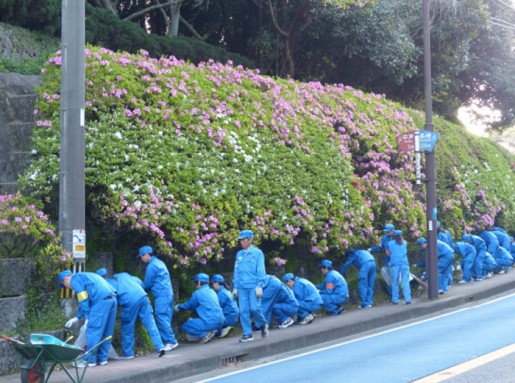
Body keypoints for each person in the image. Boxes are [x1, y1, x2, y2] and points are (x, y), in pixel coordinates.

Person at [95, 268, 165, 359]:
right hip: (143, 296)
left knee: (127, 326)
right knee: (151, 323)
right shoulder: (123, 274)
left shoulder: (106, 284)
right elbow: (139, 282)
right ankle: (160, 347)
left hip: (130, 301)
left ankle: (128, 354)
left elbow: (111, 300)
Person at [58, 270, 117, 367]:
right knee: (106, 331)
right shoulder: (85, 277)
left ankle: (90, 360)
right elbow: (86, 301)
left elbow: (83, 299)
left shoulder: (74, 280)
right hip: (112, 299)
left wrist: (87, 317)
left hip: (100, 301)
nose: (68, 287)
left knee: (93, 330)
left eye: (64, 285)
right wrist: (77, 318)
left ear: (65, 279)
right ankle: (102, 358)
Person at [137, 245, 178, 351]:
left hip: (161, 295)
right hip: (168, 293)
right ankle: (170, 340)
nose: (141, 259)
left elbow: (147, 284)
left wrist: (139, 289)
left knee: (161, 317)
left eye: (141, 256)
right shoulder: (160, 263)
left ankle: (171, 341)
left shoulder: (151, 266)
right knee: (166, 317)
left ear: (146, 255)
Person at [232, 230, 268, 343]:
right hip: (242, 286)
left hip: (253, 286)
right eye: (241, 240)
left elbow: (261, 270)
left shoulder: (257, 253)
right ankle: (247, 334)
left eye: (243, 239)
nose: (241, 242)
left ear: (250, 240)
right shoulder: (239, 254)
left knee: (255, 308)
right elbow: (236, 271)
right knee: (243, 311)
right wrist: (235, 287)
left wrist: (259, 285)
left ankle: (262, 324)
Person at [174, 273, 224, 344]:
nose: (195, 285)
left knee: (185, 326)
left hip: (210, 321)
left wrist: (178, 307)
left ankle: (205, 334)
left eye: (195, 283)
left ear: (199, 282)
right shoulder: (212, 291)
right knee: (200, 320)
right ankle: (214, 331)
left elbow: (189, 305)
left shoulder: (198, 293)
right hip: (220, 320)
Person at [368, 223, 395, 297]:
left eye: (388, 231)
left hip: (396, 261)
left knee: (396, 278)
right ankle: (391, 296)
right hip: (388, 261)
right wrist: (372, 249)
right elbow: (381, 248)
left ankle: (398, 295)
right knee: (388, 278)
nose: (387, 233)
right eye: (386, 232)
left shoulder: (397, 237)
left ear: (393, 231)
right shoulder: (384, 239)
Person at [210, 274, 239, 338]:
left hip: (228, 318)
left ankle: (221, 330)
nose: (212, 285)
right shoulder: (226, 291)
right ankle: (224, 329)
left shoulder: (221, 293)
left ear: (218, 283)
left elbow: (216, 308)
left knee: (211, 320)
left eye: (213, 282)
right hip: (234, 317)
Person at [388, 231, 411, 304]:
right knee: (405, 281)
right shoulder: (405, 243)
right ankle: (408, 299)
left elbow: (389, 253)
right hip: (404, 263)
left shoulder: (390, 243)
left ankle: (395, 299)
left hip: (395, 264)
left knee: (395, 282)